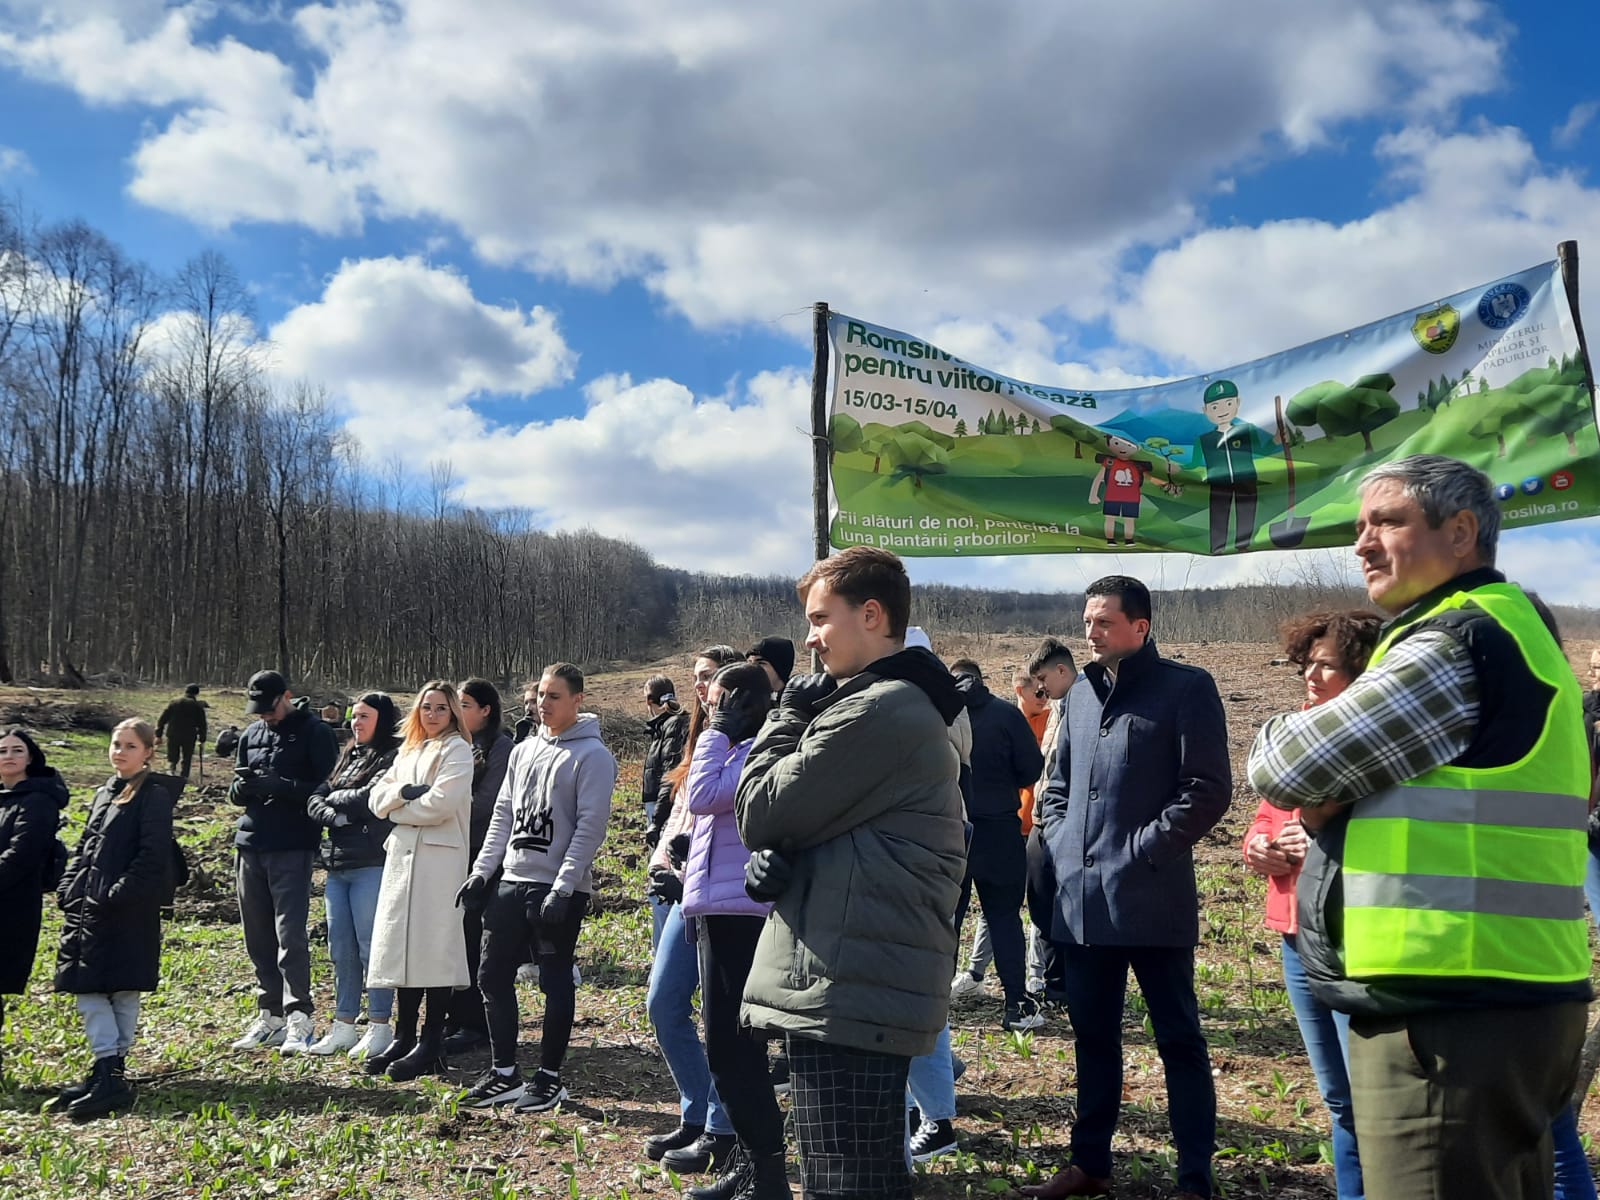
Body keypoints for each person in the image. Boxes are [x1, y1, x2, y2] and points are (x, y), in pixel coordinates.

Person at [1248, 454, 1591, 1200]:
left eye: (1387, 522)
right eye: (1360, 525)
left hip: (1451, 1015)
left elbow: (1287, 767)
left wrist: (1286, 739)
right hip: (1502, 994)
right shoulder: (1510, 631)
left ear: (1461, 532)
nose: (1362, 543)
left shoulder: (1452, 642)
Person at [737, 546, 967, 1200]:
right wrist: (785, 862)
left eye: (820, 619)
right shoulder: (888, 704)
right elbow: (820, 828)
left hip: (850, 983)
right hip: (855, 976)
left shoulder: (879, 708)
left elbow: (759, 810)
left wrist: (786, 716)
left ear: (871, 615)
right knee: (860, 1177)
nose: (810, 638)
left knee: (844, 1182)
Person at [1024, 575, 1231, 1200]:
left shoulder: (1186, 689)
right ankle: (1089, 1164)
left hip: (1152, 900)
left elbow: (1206, 790)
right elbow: (1058, 785)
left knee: (1178, 1040)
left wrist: (1142, 851)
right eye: (1087, 621)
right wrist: (1063, 841)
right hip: (1083, 903)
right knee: (1093, 1038)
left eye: (1104, 622)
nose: (1091, 633)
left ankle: (1194, 1178)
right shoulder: (1081, 696)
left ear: (1140, 627)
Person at [1243, 611, 1380, 1200]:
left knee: (1372, 1096)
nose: (1312, 675)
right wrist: (1260, 847)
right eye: (1308, 663)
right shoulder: (1295, 734)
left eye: (1327, 665)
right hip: (1296, 937)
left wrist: (1321, 834)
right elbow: (1263, 820)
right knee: (1338, 1098)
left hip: (1354, 937)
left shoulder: (1380, 743)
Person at [459, 663, 617, 1114]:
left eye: (554, 696)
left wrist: (564, 887)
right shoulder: (524, 750)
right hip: (512, 879)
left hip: (556, 888)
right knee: (491, 975)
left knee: (554, 979)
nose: (542, 704)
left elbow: (590, 826)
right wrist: (483, 872)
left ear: (577, 700)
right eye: (540, 695)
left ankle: (549, 1078)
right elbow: (503, 815)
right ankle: (504, 1072)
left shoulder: (593, 756)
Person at [677, 663, 786, 1200]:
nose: (710, 707)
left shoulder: (754, 750)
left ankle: (767, 1174)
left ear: (743, 703)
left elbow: (701, 795)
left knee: (733, 1051)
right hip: (716, 905)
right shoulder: (738, 748)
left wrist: (714, 734)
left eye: (719, 701)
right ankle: (750, 1163)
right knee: (727, 1049)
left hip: (740, 911)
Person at [642, 645, 744, 1175]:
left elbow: (712, 804)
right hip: (679, 890)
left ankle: (723, 1129)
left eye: (711, 678)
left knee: (722, 1021)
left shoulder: (744, 740)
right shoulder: (696, 736)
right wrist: (662, 860)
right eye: (698, 678)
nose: (701, 687)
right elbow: (682, 811)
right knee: (663, 1004)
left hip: (722, 895)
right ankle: (698, 1110)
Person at [51, 719, 174, 1119]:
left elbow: (153, 855)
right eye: (116, 744)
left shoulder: (153, 794)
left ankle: (110, 1072)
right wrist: (68, 887)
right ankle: (109, 1072)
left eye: (130, 746)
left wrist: (117, 895)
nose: (119, 752)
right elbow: (85, 847)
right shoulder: (106, 790)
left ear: (148, 752)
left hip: (126, 910)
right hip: (88, 907)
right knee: (88, 988)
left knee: (119, 990)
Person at [360, 681, 475, 1082]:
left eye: (441, 708)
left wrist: (398, 809)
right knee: (404, 948)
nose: (433, 714)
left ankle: (431, 1040)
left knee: (434, 948)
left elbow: (441, 803)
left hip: (439, 860)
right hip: (403, 858)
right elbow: (376, 799)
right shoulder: (408, 750)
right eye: (427, 707)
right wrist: (405, 794)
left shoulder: (458, 750)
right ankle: (404, 1034)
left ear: (453, 712)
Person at [228, 670, 338, 1053]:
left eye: (270, 708)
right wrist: (243, 788)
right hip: (251, 842)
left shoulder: (316, 732)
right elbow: (233, 792)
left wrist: (285, 787)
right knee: (257, 934)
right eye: (258, 710)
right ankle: (270, 1014)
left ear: (286, 696)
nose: (265, 716)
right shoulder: (250, 734)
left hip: (292, 843)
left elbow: (329, 787)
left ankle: (299, 1015)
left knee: (289, 933)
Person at [303, 693, 403, 1059]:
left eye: (364, 716)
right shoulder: (348, 754)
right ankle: (344, 1024)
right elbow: (316, 797)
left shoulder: (393, 756)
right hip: (337, 865)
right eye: (354, 716)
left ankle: (379, 1024)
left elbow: (369, 799)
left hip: (371, 862)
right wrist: (333, 814)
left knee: (370, 946)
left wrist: (336, 801)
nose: (355, 723)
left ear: (383, 719)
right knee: (340, 948)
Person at [949, 658, 1044, 1031]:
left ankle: (935, 1007)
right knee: (1004, 918)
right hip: (1000, 828)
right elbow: (1031, 768)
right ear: (982, 681)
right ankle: (1016, 1004)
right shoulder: (1006, 715)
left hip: (951, 830)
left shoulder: (939, 715)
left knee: (946, 920)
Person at [442, 678, 514, 1055]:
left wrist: (438, 808)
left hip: (481, 856)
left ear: (486, 710)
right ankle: (451, 1016)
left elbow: (487, 804)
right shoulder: (453, 745)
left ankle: (474, 1022)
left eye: (465, 704)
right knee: (449, 937)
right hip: (447, 851)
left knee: (473, 938)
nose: (457, 711)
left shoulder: (501, 748)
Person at [0, 728, 69, 1072]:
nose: (8, 756)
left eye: (17, 750)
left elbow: (22, 855)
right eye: (2, 751)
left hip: (11, 905)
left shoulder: (39, 800)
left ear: (30, 757)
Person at [1025, 637, 1077, 1002]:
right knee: (1041, 905)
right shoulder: (1058, 708)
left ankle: (1064, 985)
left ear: (1062, 670)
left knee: (1065, 909)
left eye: (1043, 679)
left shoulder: (1086, 706)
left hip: (1064, 825)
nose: (1040, 690)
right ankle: (1052, 981)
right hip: (1040, 821)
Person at [1196, 378, 1280, 554]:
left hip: (1246, 478)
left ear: (1238, 403)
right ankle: (1217, 546)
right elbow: (1193, 463)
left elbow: (1261, 451)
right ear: (1205, 410)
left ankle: (1244, 544)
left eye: (1228, 403)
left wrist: (1275, 441)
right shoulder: (1204, 439)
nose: (1222, 411)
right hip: (1218, 482)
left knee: (1247, 511)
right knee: (1218, 513)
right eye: (1214, 407)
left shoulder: (1246, 430)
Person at [641, 675, 690, 950]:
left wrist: (657, 819)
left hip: (664, 809)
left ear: (650, 701)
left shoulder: (672, 725)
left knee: (661, 880)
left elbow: (669, 776)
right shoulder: (664, 726)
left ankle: (664, 949)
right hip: (660, 806)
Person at [156, 684, 208, 780]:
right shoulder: (197, 706)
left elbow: (162, 719)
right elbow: (202, 724)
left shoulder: (174, 703)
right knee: (187, 758)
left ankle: (171, 772)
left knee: (172, 755)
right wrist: (202, 739)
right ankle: (184, 777)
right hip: (189, 735)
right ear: (196, 693)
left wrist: (158, 734)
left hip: (173, 734)